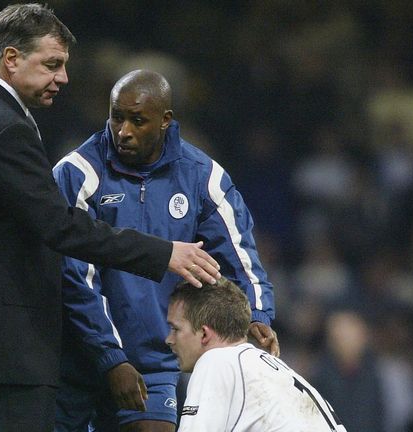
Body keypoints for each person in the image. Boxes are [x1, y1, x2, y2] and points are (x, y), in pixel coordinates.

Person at [0, 5, 220, 432]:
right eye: (52, 64)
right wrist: (162, 253)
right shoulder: (4, 126)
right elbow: (60, 226)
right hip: (7, 351)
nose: (62, 78)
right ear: (12, 59)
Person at [53, 69, 278, 432]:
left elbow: (241, 257)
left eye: (137, 120)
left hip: (155, 361)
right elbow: (75, 278)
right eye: (116, 117)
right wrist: (111, 359)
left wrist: (257, 316)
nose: (123, 131)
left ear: (164, 121)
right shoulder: (77, 174)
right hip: (73, 359)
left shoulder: (202, 177)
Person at [166, 278, 347, 432]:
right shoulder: (269, 367)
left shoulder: (216, 361)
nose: (169, 339)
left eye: (176, 329)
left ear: (204, 334)